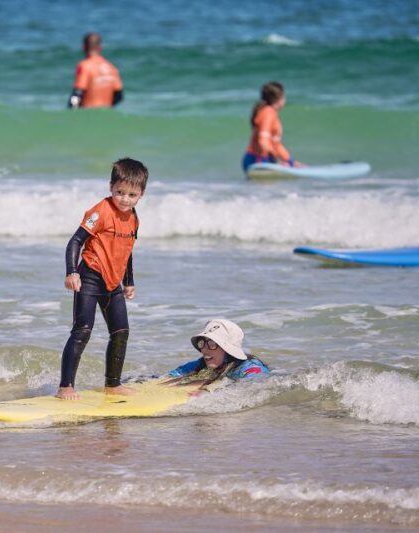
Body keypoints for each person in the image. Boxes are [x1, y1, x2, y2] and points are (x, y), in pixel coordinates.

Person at [57, 158, 148, 400]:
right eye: (119, 192)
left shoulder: (134, 217)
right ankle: (65, 387)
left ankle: (113, 385)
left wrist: (129, 281)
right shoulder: (100, 211)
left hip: (113, 283)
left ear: (141, 194)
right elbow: (75, 241)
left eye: (132, 194)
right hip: (89, 277)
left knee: (121, 332)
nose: (125, 199)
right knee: (82, 331)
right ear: (111, 187)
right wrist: (71, 272)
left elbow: (126, 250)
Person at [165, 319, 269, 395]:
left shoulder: (252, 369)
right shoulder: (200, 364)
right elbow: (170, 376)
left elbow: (249, 391)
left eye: (212, 343)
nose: (204, 349)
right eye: (202, 343)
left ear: (228, 349)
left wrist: (204, 393)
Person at [242, 81, 303, 173]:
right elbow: (263, 141)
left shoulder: (269, 112)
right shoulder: (268, 113)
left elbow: (276, 144)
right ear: (280, 98)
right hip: (258, 160)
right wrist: (278, 161)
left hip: (260, 159)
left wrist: (290, 161)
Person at [68, 32, 124, 109]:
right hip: (106, 113)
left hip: (89, 114)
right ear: (100, 47)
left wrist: (72, 109)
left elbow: (77, 93)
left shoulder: (84, 66)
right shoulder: (111, 67)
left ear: (83, 47)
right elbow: (119, 96)